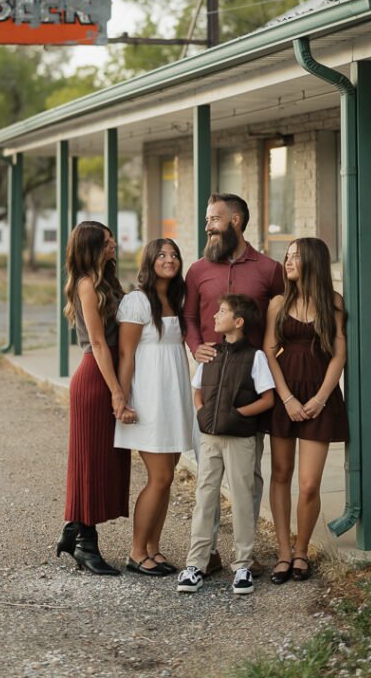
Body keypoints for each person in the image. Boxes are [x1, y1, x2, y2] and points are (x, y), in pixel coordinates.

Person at [183, 193, 284, 575]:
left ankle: (246, 553)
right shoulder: (197, 270)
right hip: (208, 383)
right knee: (206, 478)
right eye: (208, 219)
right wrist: (197, 349)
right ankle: (205, 556)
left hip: (249, 382)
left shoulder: (269, 269)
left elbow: (284, 316)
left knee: (248, 475)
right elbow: (189, 316)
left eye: (214, 219)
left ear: (237, 220)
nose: (208, 225)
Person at [261, 237, 349, 583]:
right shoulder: (278, 303)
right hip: (287, 396)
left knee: (310, 484)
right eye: (287, 255)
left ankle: (302, 550)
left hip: (319, 399)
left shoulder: (333, 303)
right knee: (281, 474)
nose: (288, 260)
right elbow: (269, 352)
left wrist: (320, 398)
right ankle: (283, 553)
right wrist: (286, 398)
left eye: (296, 255)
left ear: (313, 260)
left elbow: (339, 355)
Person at [177, 295, 275, 596]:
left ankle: (243, 565)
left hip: (241, 440)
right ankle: (195, 565)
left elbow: (267, 399)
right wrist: (202, 412)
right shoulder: (211, 353)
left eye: (222, 312)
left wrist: (236, 415)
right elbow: (197, 389)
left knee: (243, 499)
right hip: (210, 438)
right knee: (205, 496)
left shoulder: (255, 357)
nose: (216, 316)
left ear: (239, 322)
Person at [56, 221, 133, 576]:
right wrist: (117, 391)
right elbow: (99, 343)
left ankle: (75, 529)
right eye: (106, 241)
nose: (113, 243)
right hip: (96, 379)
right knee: (90, 462)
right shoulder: (86, 285)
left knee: (106, 461)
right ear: (90, 247)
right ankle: (86, 545)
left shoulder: (106, 281)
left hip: (108, 374)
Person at [114, 238, 194, 576]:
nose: (169, 259)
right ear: (149, 260)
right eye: (161, 254)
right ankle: (136, 552)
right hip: (148, 399)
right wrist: (122, 399)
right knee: (159, 477)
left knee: (167, 477)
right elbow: (126, 354)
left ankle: (153, 549)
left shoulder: (175, 298)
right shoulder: (137, 301)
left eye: (174, 254)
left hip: (173, 397)